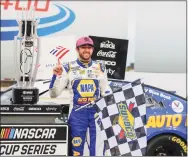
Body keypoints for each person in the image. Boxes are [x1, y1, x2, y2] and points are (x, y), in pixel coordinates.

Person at [49, 36, 112, 156]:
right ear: (77, 49)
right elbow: (54, 94)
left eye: (89, 47)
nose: (86, 50)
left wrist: (114, 99)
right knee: (77, 152)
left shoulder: (100, 67)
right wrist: (56, 76)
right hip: (77, 115)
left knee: (98, 151)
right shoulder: (68, 67)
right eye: (83, 47)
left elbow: (105, 91)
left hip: (96, 115)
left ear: (93, 49)